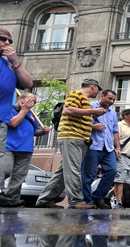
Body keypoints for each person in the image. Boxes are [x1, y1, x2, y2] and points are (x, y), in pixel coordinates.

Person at [36, 78, 106, 209]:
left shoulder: (84, 100)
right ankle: (76, 201)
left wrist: (91, 115)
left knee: (64, 171)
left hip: (79, 139)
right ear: (93, 87)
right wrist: (93, 111)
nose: (97, 92)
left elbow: (79, 115)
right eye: (97, 89)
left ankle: (45, 199)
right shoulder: (76, 94)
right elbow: (68, 110)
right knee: (73, 170)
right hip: (71, 137)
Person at [0, 28, 33, 207]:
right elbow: (15, 122)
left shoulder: (7, 64)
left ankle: (5, 195)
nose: (7, 43)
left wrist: (15, 62)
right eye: (3, 39)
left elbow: (28, 83)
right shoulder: (17, 109)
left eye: (9, 41)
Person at [3, 93, 50, 201]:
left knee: (19, 176)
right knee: (5, 170)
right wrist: (24, 110)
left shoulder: (31, 114)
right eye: (30, 100)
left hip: (26, 149)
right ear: (21, 98)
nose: (32, 104)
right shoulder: (9, 109)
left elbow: (35, 131)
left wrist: (43, 132)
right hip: (9, 147)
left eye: (34, 102)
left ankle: (12, 199)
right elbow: (13, 123)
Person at [81, 90, 120, 209]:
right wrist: (93, 126)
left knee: (112, 171)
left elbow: (115, 130)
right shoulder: (91, 107)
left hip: (108, 147)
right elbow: (80, 123)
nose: (112, 101)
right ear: (102, 96)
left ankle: (98, 197)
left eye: (113, 99)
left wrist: (118, 147)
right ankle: (88, 200)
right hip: (93, 146)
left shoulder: (112, 113)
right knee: (89, 175)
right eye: (109, 98)